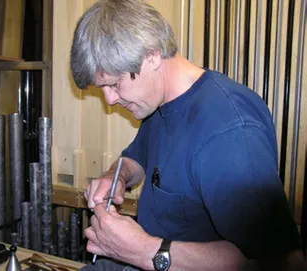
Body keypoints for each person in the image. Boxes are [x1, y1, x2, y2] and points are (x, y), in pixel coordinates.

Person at [70, 0, 305, 270]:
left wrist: (145, 251)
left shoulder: (229, 132)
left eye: (114, 83)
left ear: (152, 55)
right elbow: (136, 159)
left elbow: (287, 263)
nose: (109, 99)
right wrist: (115, 177)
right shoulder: (157, 105)